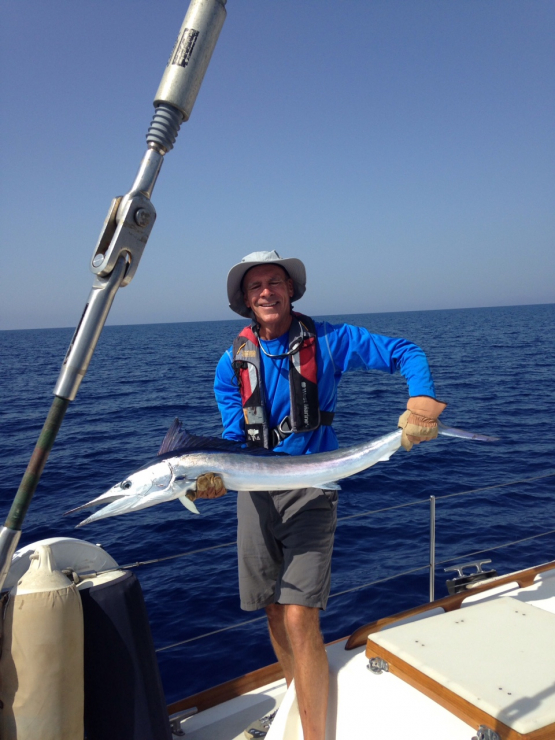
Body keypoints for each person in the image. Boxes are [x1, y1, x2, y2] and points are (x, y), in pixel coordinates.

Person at [195, 251, 446, 740]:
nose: (266, 291)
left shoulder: (332, 340)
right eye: (256, 286)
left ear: (291, 291)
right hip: (256, 494)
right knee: (270, 607)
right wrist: (215, 477)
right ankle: (297, 702)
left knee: (298, 612)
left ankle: (314, 735)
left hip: (313, 488)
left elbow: (405, 351)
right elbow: (233, 440)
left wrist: (420, 398)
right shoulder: (231, 364)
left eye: (275, 282)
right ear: (245, 301)